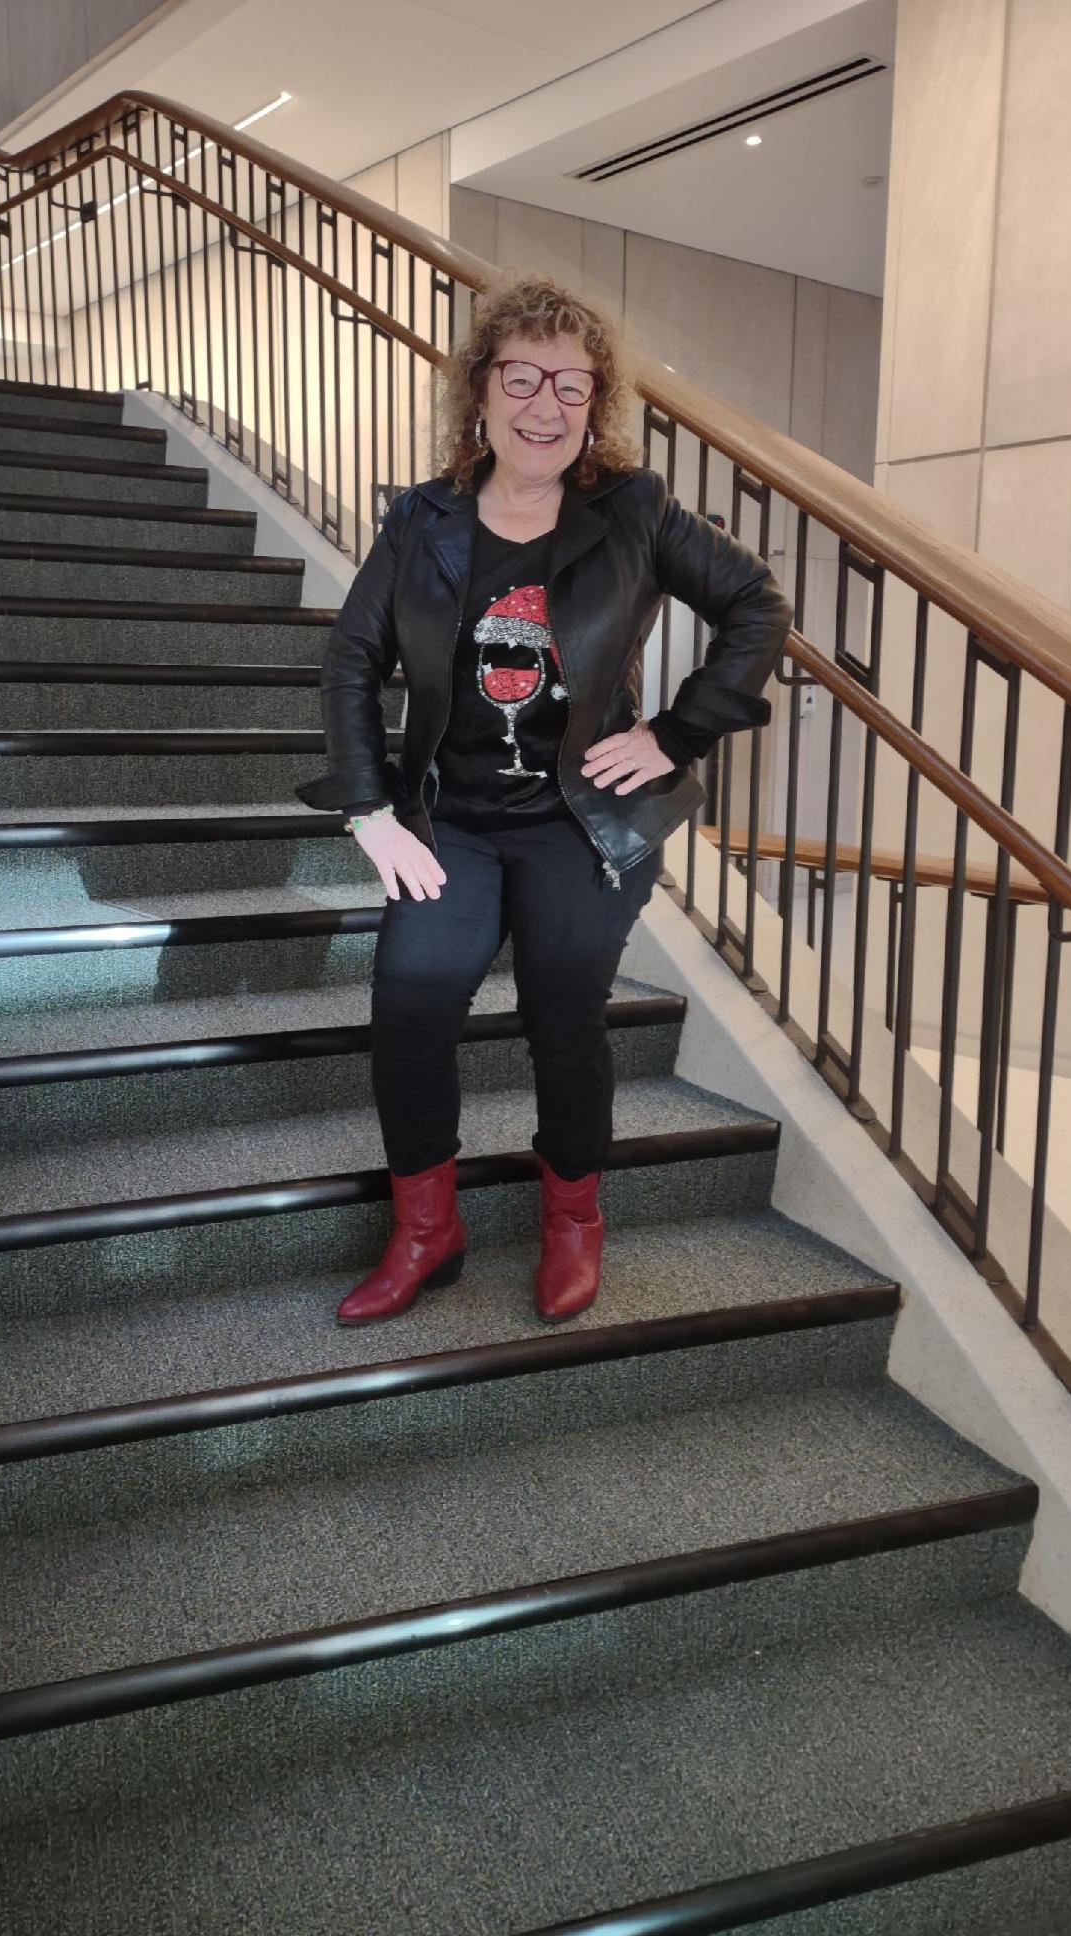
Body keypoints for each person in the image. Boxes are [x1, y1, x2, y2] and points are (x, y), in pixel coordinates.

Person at [294, 272, 791, 1328]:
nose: (545, 405)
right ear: (480, 391)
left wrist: (675, 732)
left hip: (581, 822)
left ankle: (574, 1217)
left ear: (596, 404)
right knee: (413, 999)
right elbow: (351, 661)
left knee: (565, 1013)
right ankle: (428, 1228)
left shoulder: (634, 512)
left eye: (571, 385)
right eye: (521, 377)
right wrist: (369, 809)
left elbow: (755, 604)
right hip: (454, 820)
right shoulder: (422, 520)